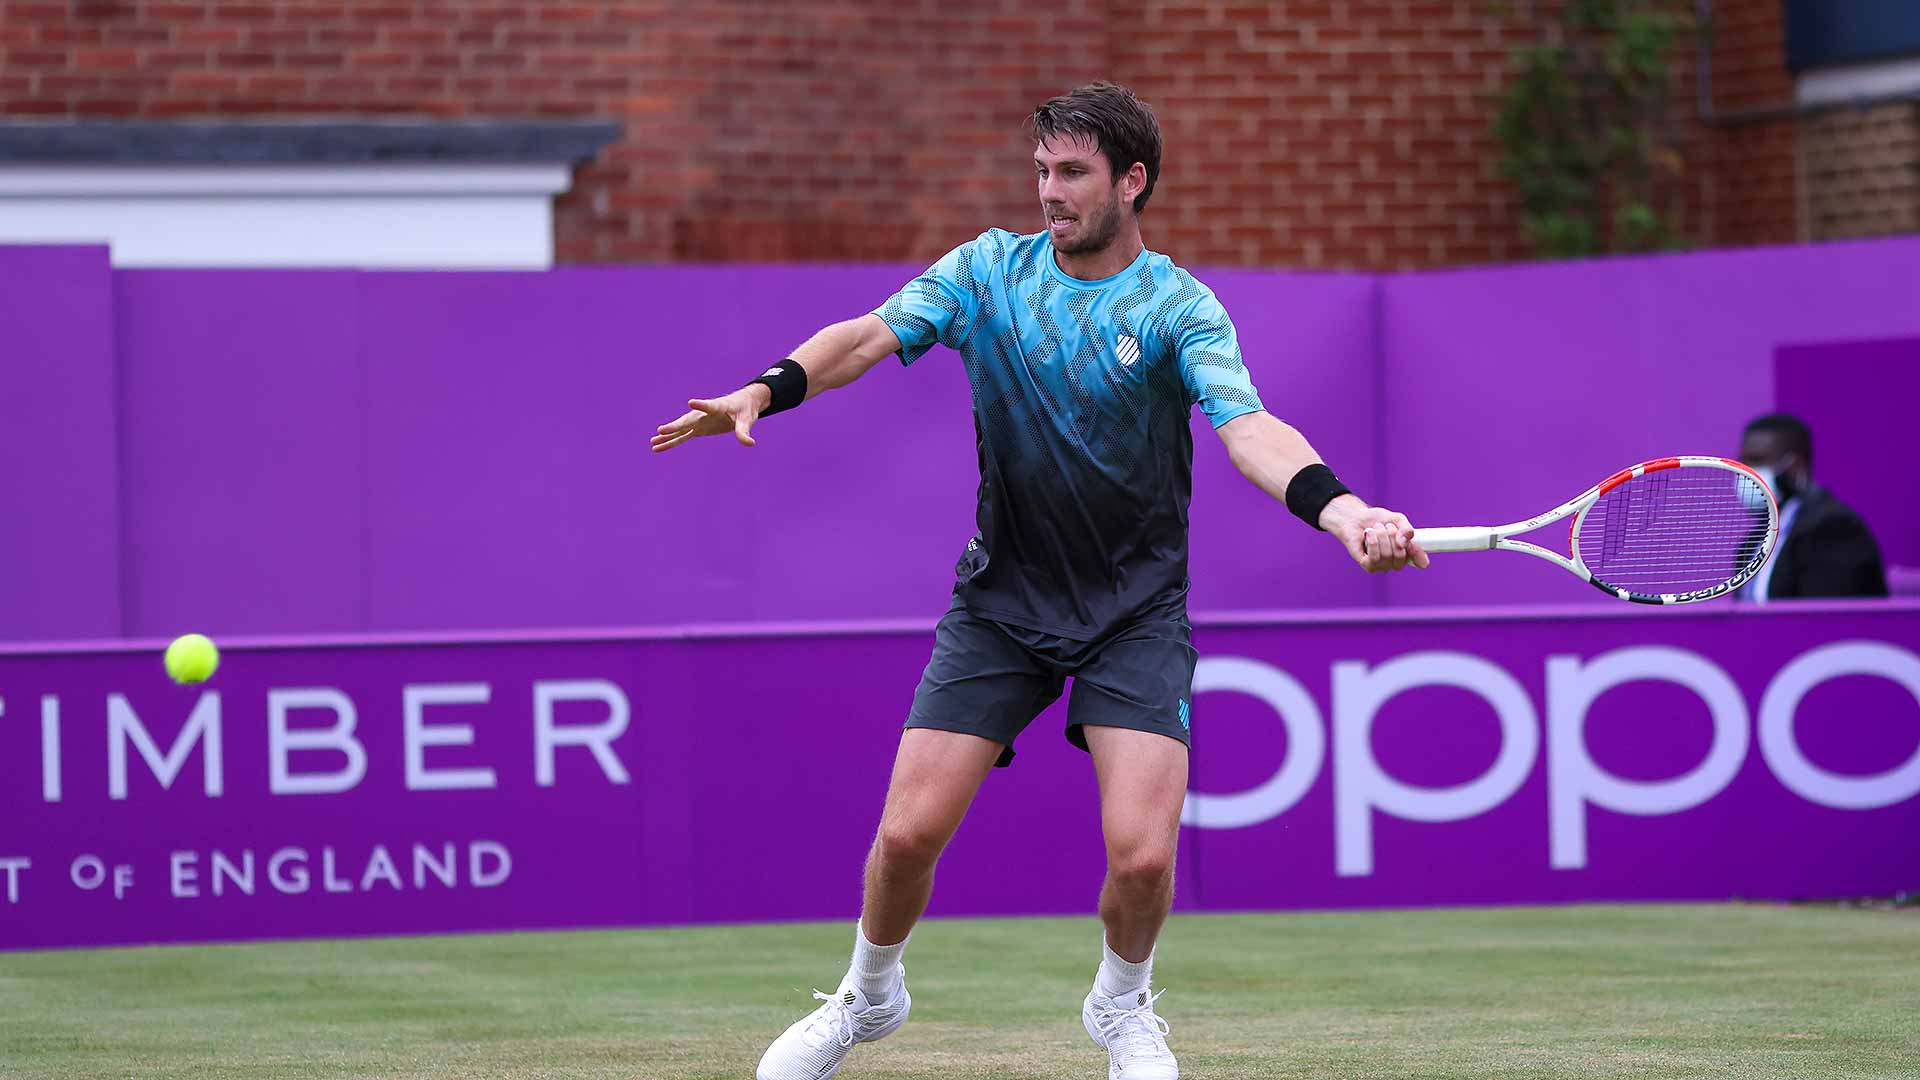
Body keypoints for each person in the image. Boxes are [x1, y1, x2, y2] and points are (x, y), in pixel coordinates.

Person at [652, 82, 1428, 1080]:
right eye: (1043, 172)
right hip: (1002, 606)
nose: (1050, 193)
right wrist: (768, 386)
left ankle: (1123, 1007)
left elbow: (1250, 431)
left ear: (1131, 180)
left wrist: (1346, 510)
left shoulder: (1179, 308)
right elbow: (864, 336)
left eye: (1073, 174)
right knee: (905, 834)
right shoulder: (986, 272)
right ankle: (867, 995)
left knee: (1144, 856)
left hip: (1133, 615)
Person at [1738, 413, 1887, 601]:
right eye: (1743, 461)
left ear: (1795, 467)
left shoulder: (1834, 530)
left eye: (1757, 460)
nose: (1745, 471)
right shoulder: (1752, 542)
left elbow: (1823, 620)